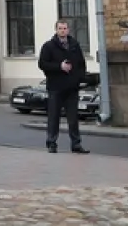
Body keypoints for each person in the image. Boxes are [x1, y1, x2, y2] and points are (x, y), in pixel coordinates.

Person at [37, 20, 90, 154]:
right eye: (60, 28)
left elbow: (81, 64)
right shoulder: (49, 46)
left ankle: (76, 144)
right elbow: (42, 64)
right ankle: (52, 143)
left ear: (68, 30)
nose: (63, 31)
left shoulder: (74, 45)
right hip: (55, 87)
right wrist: (59, 67)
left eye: (65, 28)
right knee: (54, 117)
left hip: (71, 88)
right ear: (56, 30)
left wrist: (79, 79)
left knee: (73, 118)